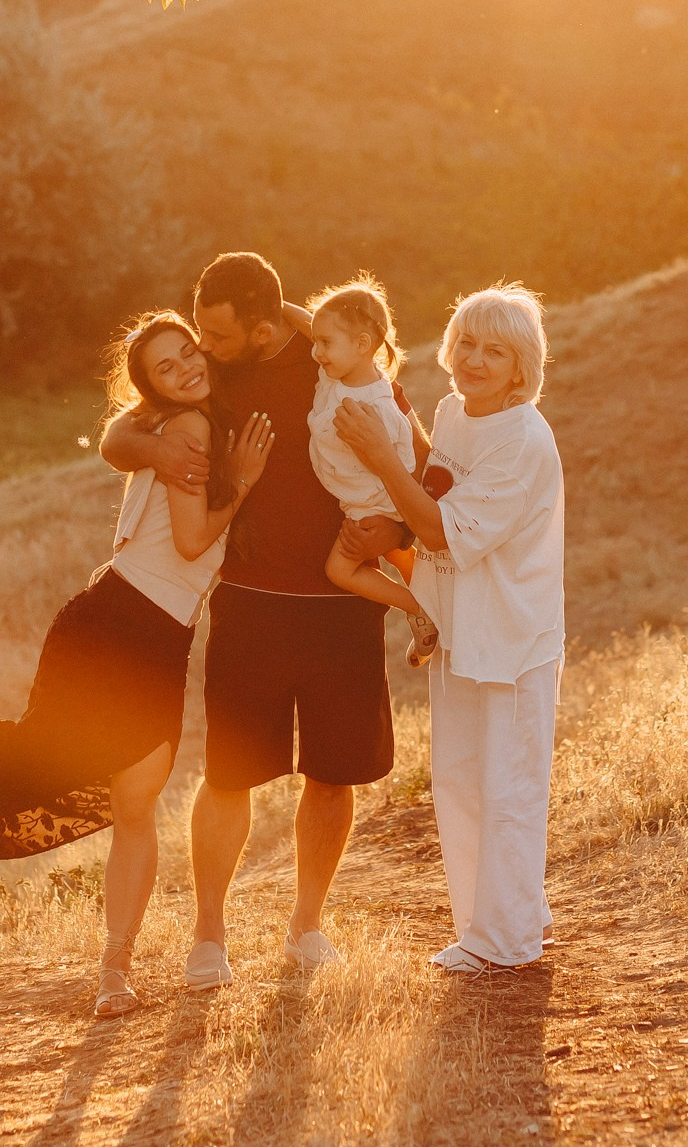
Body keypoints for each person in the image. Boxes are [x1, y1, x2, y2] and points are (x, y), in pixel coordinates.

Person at [0, 311, 272, 1019]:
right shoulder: (188, 430)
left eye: (188, 351)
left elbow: (122, 445)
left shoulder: (186, 424)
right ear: (155, 390)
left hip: (159, 637)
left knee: (131, 803)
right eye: (168, 366)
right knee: (61, 774)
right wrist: (244, 482)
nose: (187, 365)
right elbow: (192, 544)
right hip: (115, 625)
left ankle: (115, 973)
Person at [100, 252, 424, 986]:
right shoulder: (212, 376)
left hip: (344, 604)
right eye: (201, 333)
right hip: (249, 604)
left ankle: (307, 925)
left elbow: (416, 456)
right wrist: (154, 448)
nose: (204, 346)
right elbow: (118, 439)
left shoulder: (333, 360)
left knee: (334, 776)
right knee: (229, 776)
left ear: (263, 322)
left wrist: (398, 534)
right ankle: (208, 934)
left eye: (217, 333)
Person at [337, 284, 564, 972]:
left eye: (496, 351)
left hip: (512, 637)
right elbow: (427, 510)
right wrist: (426, 613)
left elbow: (442, 527)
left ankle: (506, 944)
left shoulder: (525, 438)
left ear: (523, 368)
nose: (475, 359)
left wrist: (380, 454)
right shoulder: (451, 414)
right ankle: (501, 924)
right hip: (461, 633)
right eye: (467, 342)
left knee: (510, 788)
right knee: (461, 783)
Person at [305, 277, 440, 666]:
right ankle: (431, 606)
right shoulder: (337, 373)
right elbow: (312, 326)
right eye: (316, 341)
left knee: (340, 569)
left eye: (325, 343)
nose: (316, 352)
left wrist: (387, 515)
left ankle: (418, 607)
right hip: (364, 499)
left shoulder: (374, 405)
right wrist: (276, 304)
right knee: (401, 559)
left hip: (372, 504)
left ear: (362, 345)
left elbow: (404, 459)